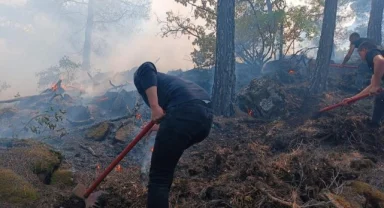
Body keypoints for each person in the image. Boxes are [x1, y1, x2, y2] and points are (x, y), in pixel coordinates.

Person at [133, 62, 213, 208]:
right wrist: (162, 125)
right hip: (204, 118)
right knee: (164, 170)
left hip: (184, 113)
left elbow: (146, 67)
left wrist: (154, 107)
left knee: (159, 177)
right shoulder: (172, 85)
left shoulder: (141, 77)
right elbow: (178, 108)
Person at [342, 41, 384, 127]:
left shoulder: (371, 53)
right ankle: (375, 126)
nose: (360, 57)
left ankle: (374, 126)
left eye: (360, 53)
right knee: (381, 98)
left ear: (364, 50)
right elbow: (372, 86)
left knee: (380, 97)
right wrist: (353, 98)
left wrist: (376, 85)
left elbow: (380, 61)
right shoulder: (375, 66)